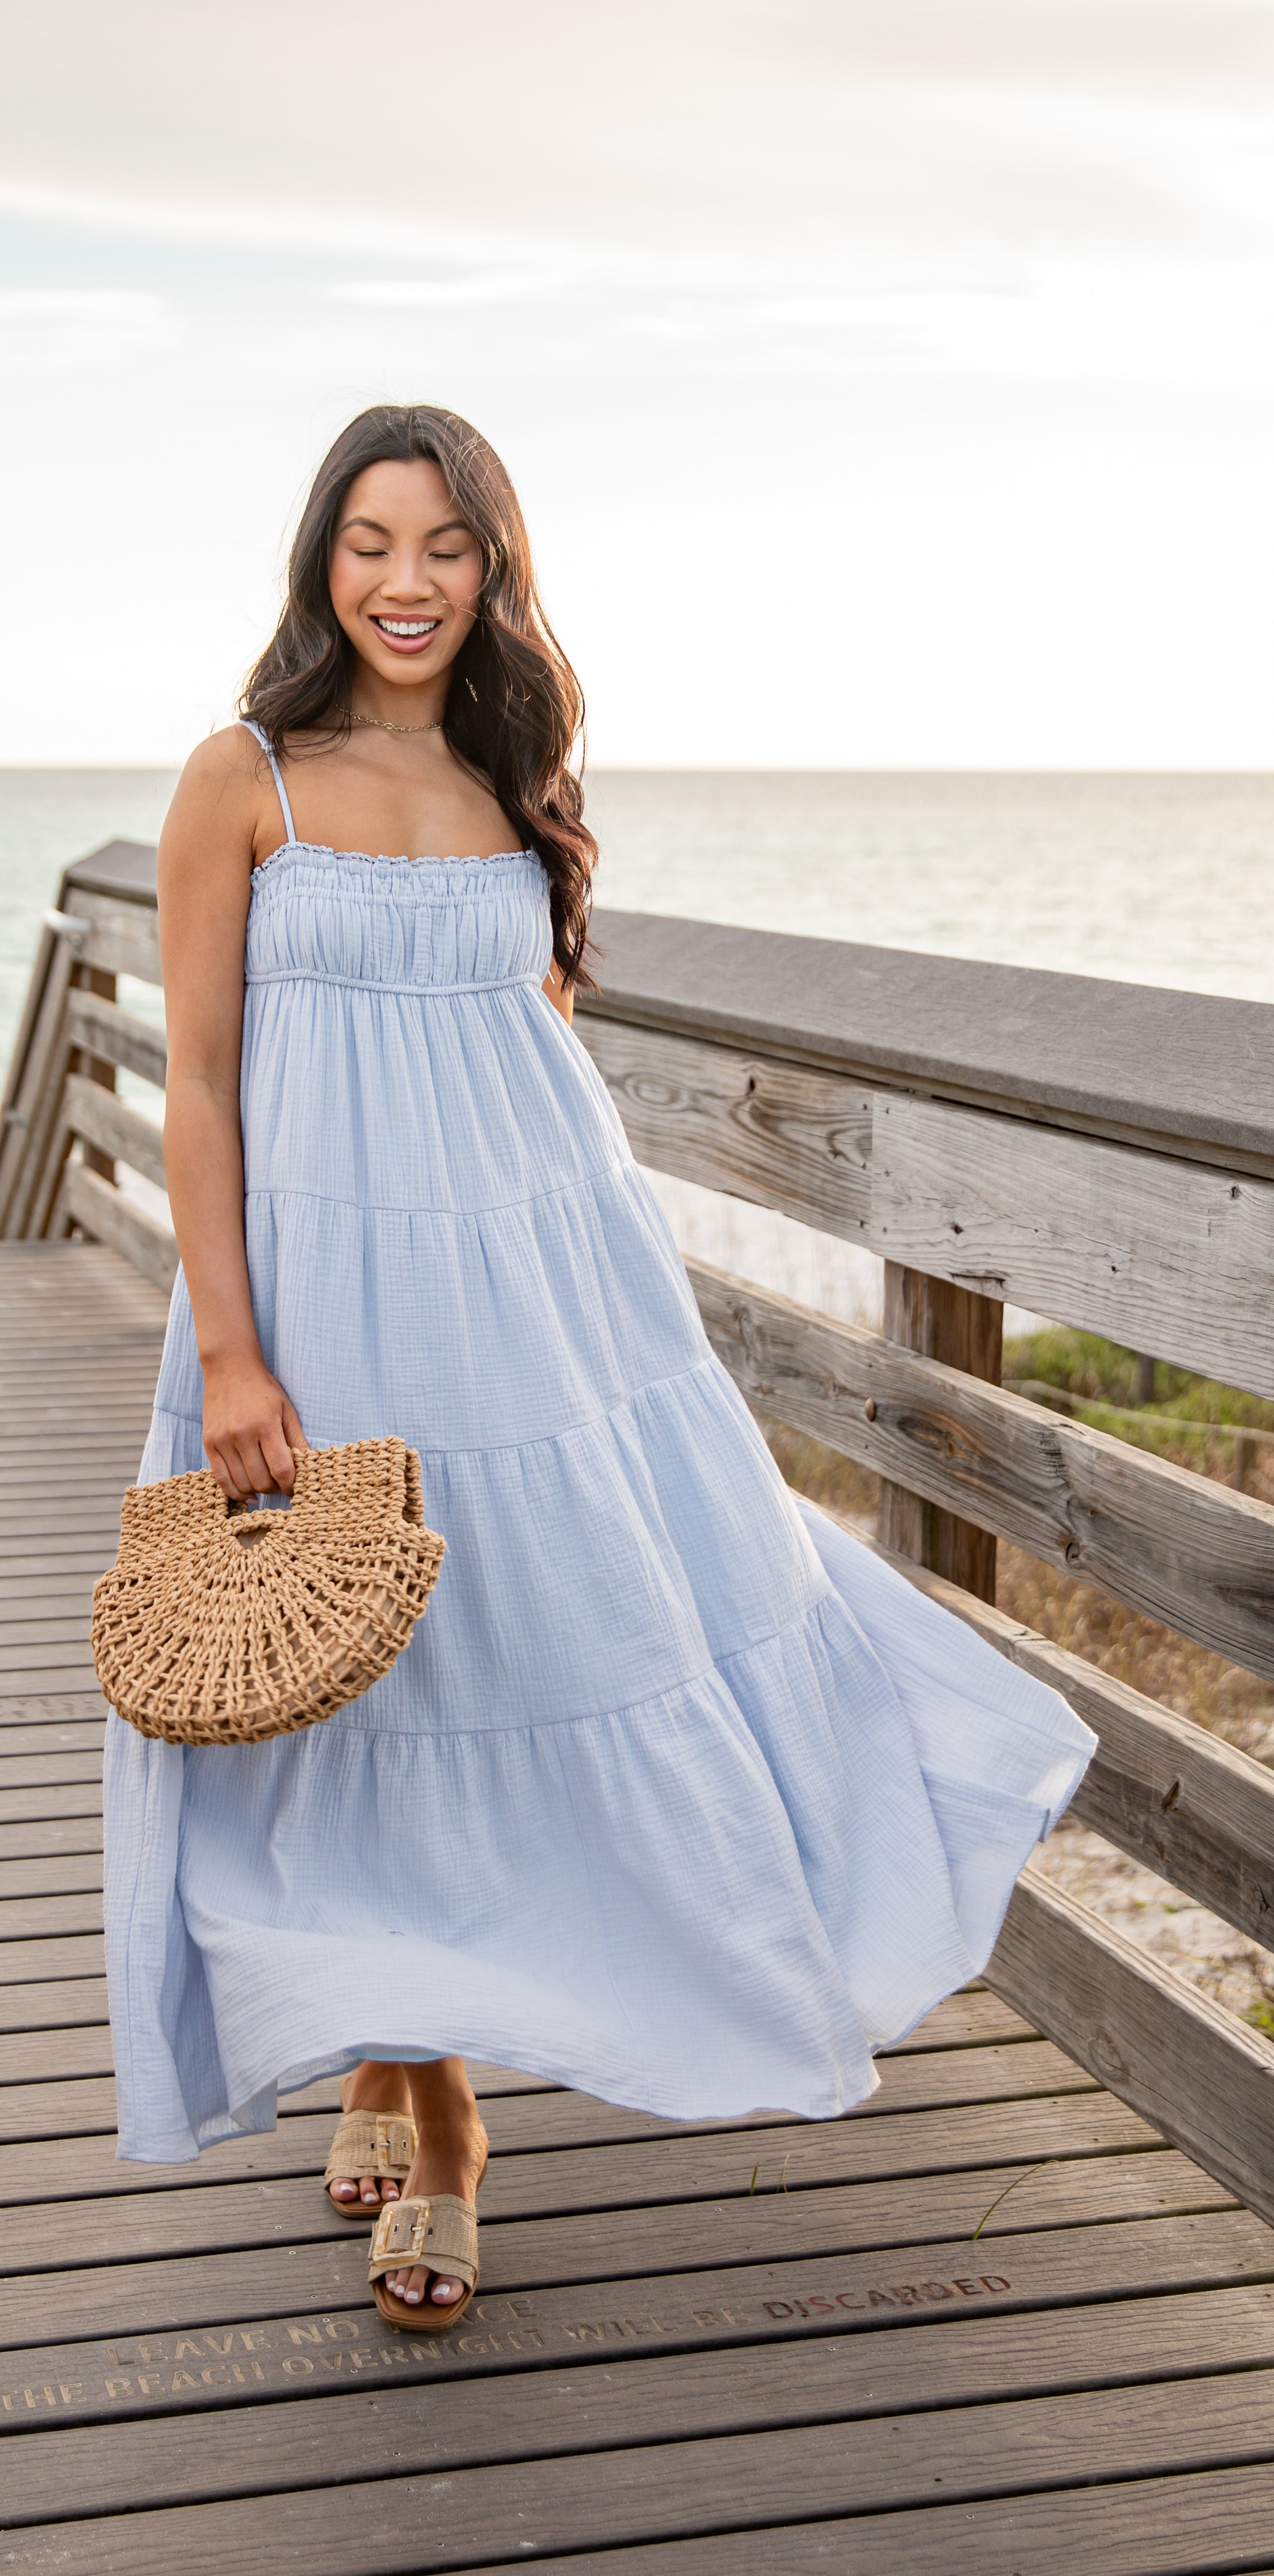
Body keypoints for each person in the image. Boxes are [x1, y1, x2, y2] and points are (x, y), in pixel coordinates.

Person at [102, 402, 1094, 2330]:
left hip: (536, 1301)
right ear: (321, 560)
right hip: (312, 1299)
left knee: (522, 1658)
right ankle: (425, 2082)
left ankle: (423, 2100)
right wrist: (229, 1342)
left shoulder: (509, 769)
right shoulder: (244, 778)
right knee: (343, 1696)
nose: (406, 581)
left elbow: (525, 1053)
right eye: (371, 542)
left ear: (496, 569)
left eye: (446, 546)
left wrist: (606, 1298)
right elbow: (203, 1079)